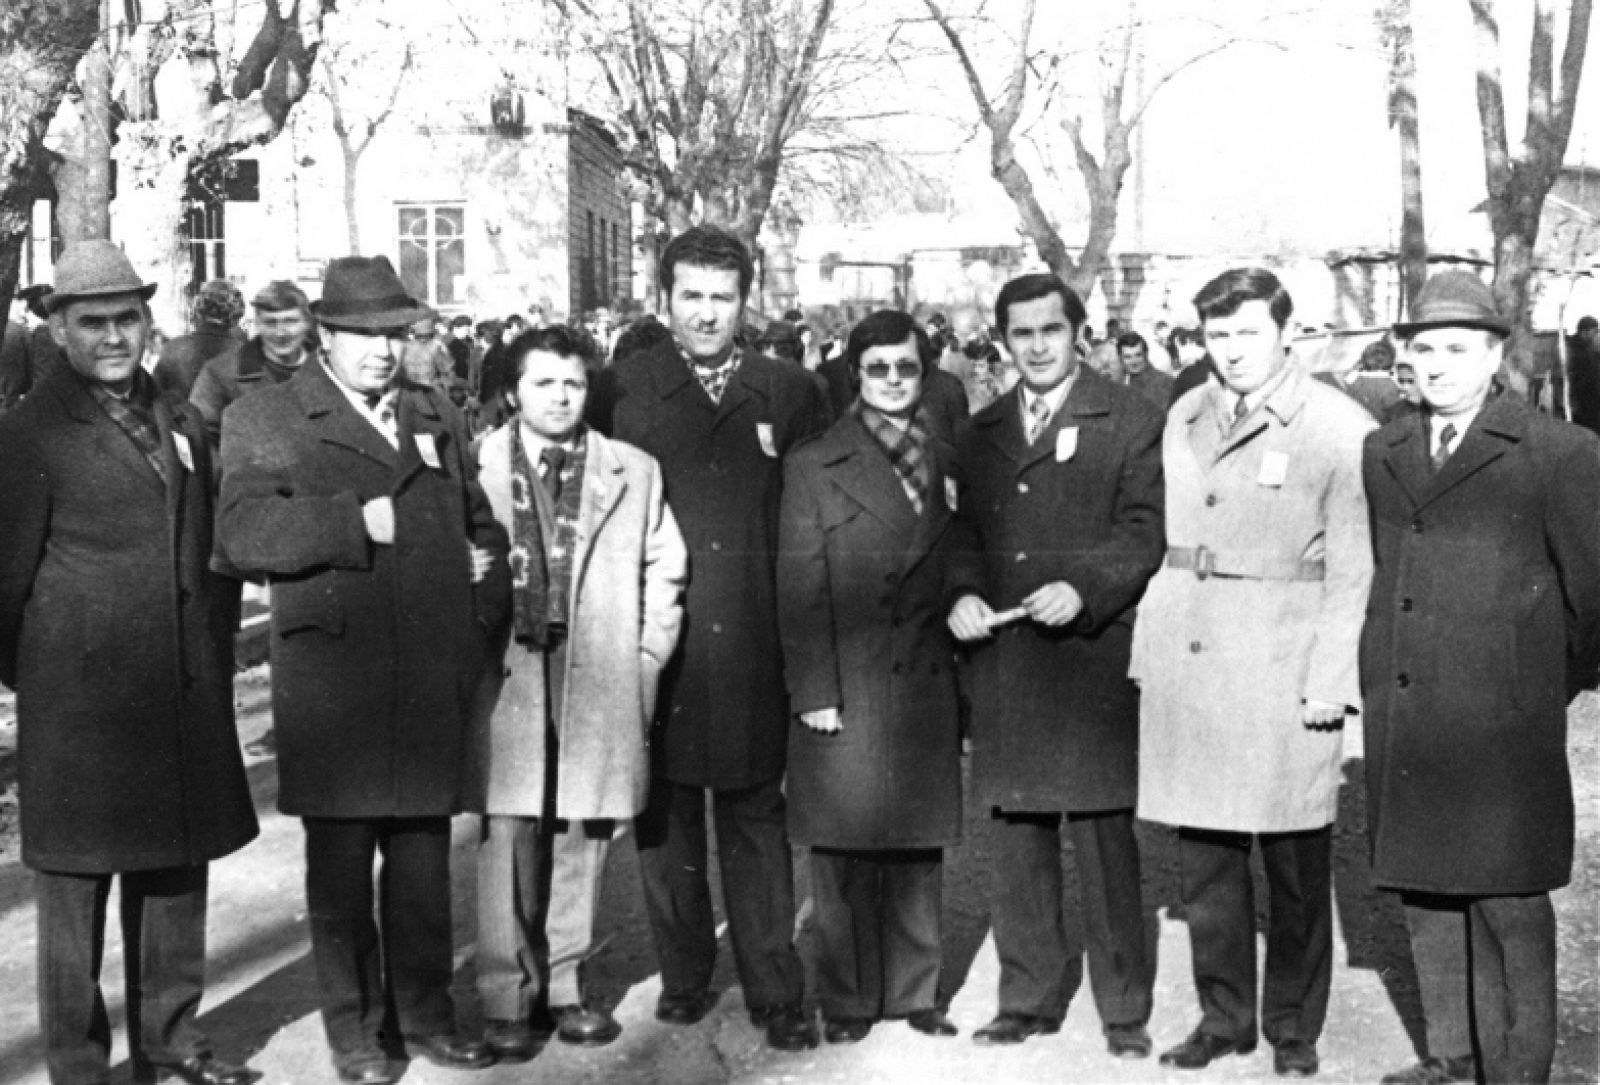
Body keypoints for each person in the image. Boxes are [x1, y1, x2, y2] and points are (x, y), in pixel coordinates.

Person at [216, 256, 510, 1085]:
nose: (380, 351)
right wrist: (352, 522)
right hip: (334, 682)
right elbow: (241, 533)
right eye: (360, 334)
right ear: (323, 334)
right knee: (342, 871)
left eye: (392, 334)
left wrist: (480, 582)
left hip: (426, 669)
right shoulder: (266, 415)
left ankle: (426, 1016)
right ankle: (355, 1032)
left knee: (421, 859)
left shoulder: (431, 410)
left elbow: (480, 524)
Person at [0, 240, 259, 1085]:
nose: (113, 337)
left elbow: (209, 547)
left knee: (177, 866)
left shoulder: (178, 417)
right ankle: (79, 1064)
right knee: (76, 893)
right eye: (92, 322)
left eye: (127, 318)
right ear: (59, 330)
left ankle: (172, 1039)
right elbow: (5, 581)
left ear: (150, 322)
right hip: (79, 702)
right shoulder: (29, 431)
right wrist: (49, 673)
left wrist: (209, 649)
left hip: (178, 686)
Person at [587, 224, 829, 1051]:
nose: (705, 312)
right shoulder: (621, 390)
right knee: (666, 818)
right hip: (657, 640)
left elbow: (812, 517)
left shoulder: (789, 391)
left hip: (756, 641)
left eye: (722, 297)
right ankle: (685, 973)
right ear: (664, 299)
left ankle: (774, 984)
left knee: (757, 815)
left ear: (745, 301)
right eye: (690, 294)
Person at [1132, 268, 1375, 1077]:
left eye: (1247, 333)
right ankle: (1225, 1016)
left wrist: (1330, 679)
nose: (1231, 351)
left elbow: (1354, 568)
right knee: (1206, 859)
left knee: (1296, 859)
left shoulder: (1338, 425)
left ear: (1285, 332)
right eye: (1217, 335)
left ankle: (1294, 1026)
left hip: (1283, 662)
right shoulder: (1185, 413)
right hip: (1195, 658)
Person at [1361, 271, 1600, 1085]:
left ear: (1496, 355)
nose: (1437, 365)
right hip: (1408, 704)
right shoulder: (1386, 448)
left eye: (1458, 349)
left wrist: (1535, 680)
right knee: (1425, 889)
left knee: (1508, 900)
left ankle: (1516, 1072)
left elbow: (1592, 596)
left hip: (1504, 716)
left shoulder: (1558, 451)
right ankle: (1451, 1055)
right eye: (1424, 348)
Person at [945, 272, 1163, 1057]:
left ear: (1079, 332)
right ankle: (1027, 996)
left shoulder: (1130, 415)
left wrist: (1087, 587)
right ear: (1004, 340)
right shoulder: (982, 429)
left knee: (1104, 838)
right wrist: (962, 593)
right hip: (1007, 656)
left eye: (1051, 330)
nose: (1037, 346)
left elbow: (1144, 528)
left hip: (1089, 658)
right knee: (1017, 836)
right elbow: (963, 533)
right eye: (1022, 333)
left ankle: (1124, 1007)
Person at [467, 325, 686, 1059]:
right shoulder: (476, 465)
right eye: (543, 383)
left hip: (598, 669)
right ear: (512, 392)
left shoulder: (632, 469)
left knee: (582, 829)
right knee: (507, 830)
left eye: (574, 383)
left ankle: (566, 982)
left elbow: (666, 565)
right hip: (507, 672)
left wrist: (647, 654)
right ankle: (505, 994)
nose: (560, 397)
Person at [777, 310, 963, 1046]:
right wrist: (814, 691)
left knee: (917, 842)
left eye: (906, 367)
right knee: (844, 844)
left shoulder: (947, 458)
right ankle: (848, 997)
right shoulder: (814, 462)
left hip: (923, 677)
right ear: (855, 373)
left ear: (925, 372)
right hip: (848, 677)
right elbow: (800, 585)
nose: (892, 379)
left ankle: (916, 989)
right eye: (877, 367)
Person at [189, 281, 316, 447]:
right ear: (257, 324)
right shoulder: (220, 374)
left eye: (290, 321)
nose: (280, 333)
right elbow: (200, 440)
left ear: (307, 323)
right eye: (270, 322)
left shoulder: (331, 370)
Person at [154, 279, 246, 398]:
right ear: (235, 314)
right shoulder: (244, 353)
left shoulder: (174, 349)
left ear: (198, 308)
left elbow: (152, 396)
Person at [1118, 330, 1175, 408]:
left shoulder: (1163, 383)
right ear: (1120, 358)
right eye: (1127, 357)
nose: (1134, 361)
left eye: (1138, 355)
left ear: (1146, 354)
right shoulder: (1124, 382)